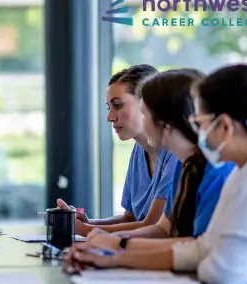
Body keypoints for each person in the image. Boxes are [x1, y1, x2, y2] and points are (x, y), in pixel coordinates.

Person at [66, 64, 247, 284]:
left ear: (224, 126)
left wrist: (117, 247)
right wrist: (114, 254)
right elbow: (201, 248)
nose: (198, 132)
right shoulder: (240, 173)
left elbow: (218, 271)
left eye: (200, 123)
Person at [86, 69, 234, 246]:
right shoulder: (185, 165)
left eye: (145, 113)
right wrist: (109, 239)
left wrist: (118, 246)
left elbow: (198, 247)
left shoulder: (217, 171)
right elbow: (165, 229)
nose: (143, 120)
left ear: (165, 121)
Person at [57, 64, 179, 236]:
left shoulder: (175, 152)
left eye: (118, 105)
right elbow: (130, 218)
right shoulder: (138, 150)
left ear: (148, 104)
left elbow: (153, 224)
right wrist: (89, 222)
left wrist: (86, 230)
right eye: (109, 107)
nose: (110, 117)